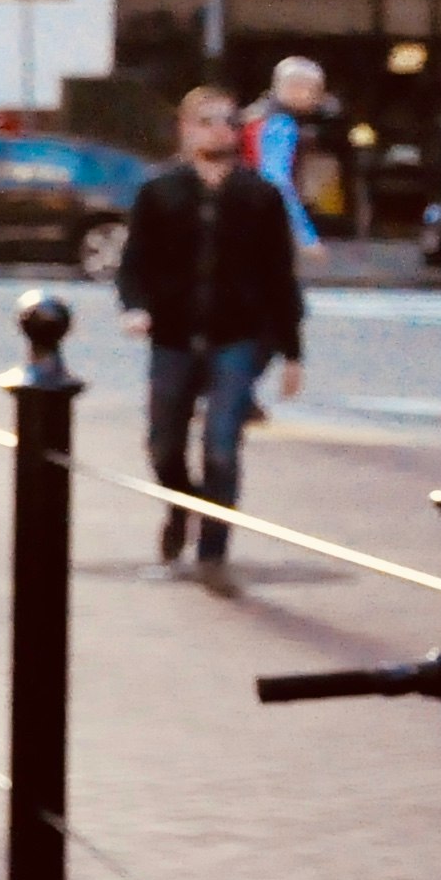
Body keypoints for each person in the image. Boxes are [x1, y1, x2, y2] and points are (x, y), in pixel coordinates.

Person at [118, 85, 306, 592]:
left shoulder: (258, 196)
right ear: (186, 128)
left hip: (237, 337)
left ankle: (212, 549)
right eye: (205, 120)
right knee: (163, 446)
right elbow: (133, 265)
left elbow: (279, 277)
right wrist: (135, 308)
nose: (217, 129)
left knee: (222, 445)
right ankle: (182, 508)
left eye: (226, 120)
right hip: (174, 337)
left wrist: (292, 352)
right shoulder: (160, 192)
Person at [247, 55, 330, 255]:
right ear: (296, 88)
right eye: (315, 91)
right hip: (258, 215)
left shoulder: (256, 116)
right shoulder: (282, 124)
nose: (318, 99)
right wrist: (305, 234)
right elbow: (277, 181)